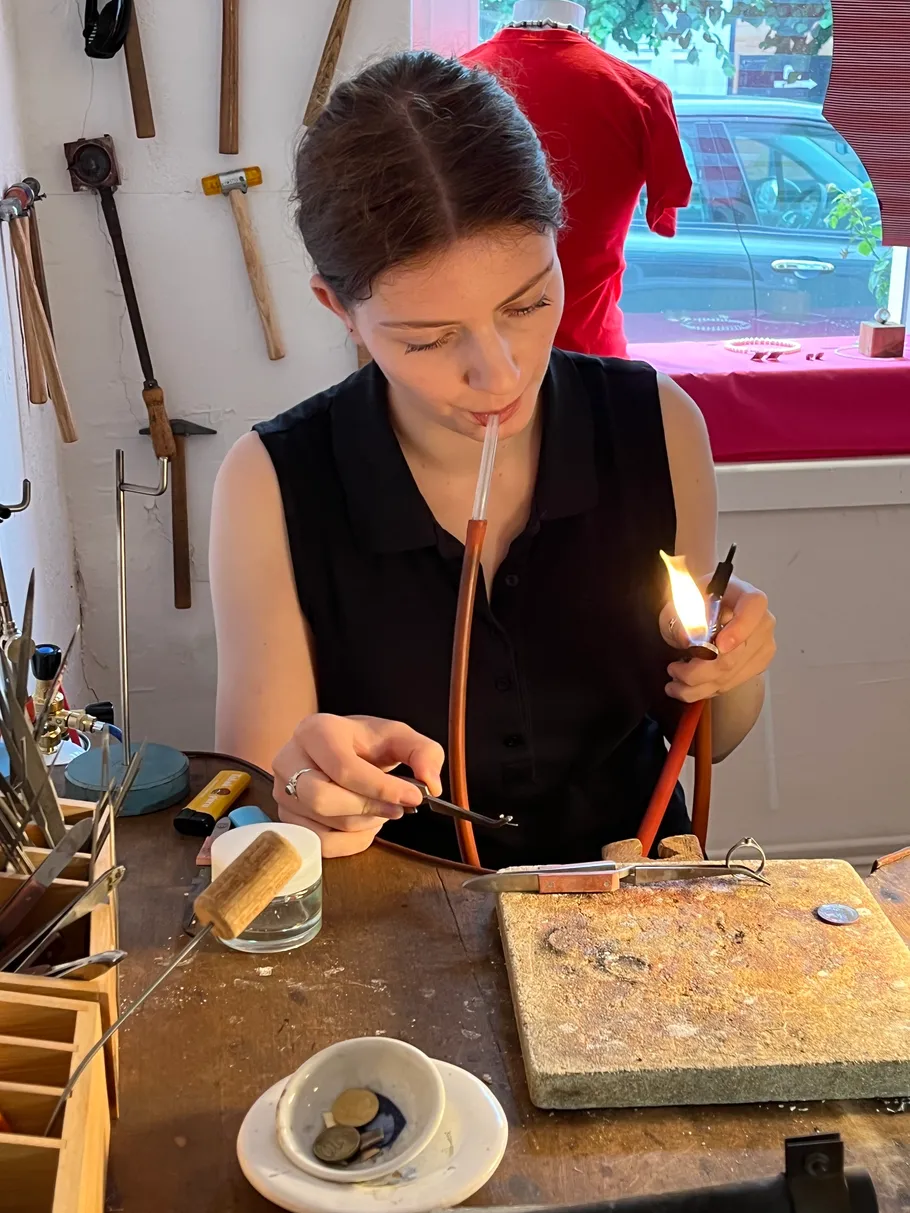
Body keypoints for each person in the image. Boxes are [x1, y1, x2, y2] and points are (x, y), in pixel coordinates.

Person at [210, 51, 775, 867]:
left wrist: (735, 664)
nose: (501, 375)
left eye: (529, 302)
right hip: (400, 924)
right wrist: (304, 789)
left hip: (630, 909)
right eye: (430, 338)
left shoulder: (658, 426)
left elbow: (709, 742)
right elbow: (268, 795)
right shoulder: (271, 482)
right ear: (339, 308)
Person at [463, 2, 692, 358]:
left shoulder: (447, 91)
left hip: (476, 359)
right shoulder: (639, 95)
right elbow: (663, 217)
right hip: (593, 362)